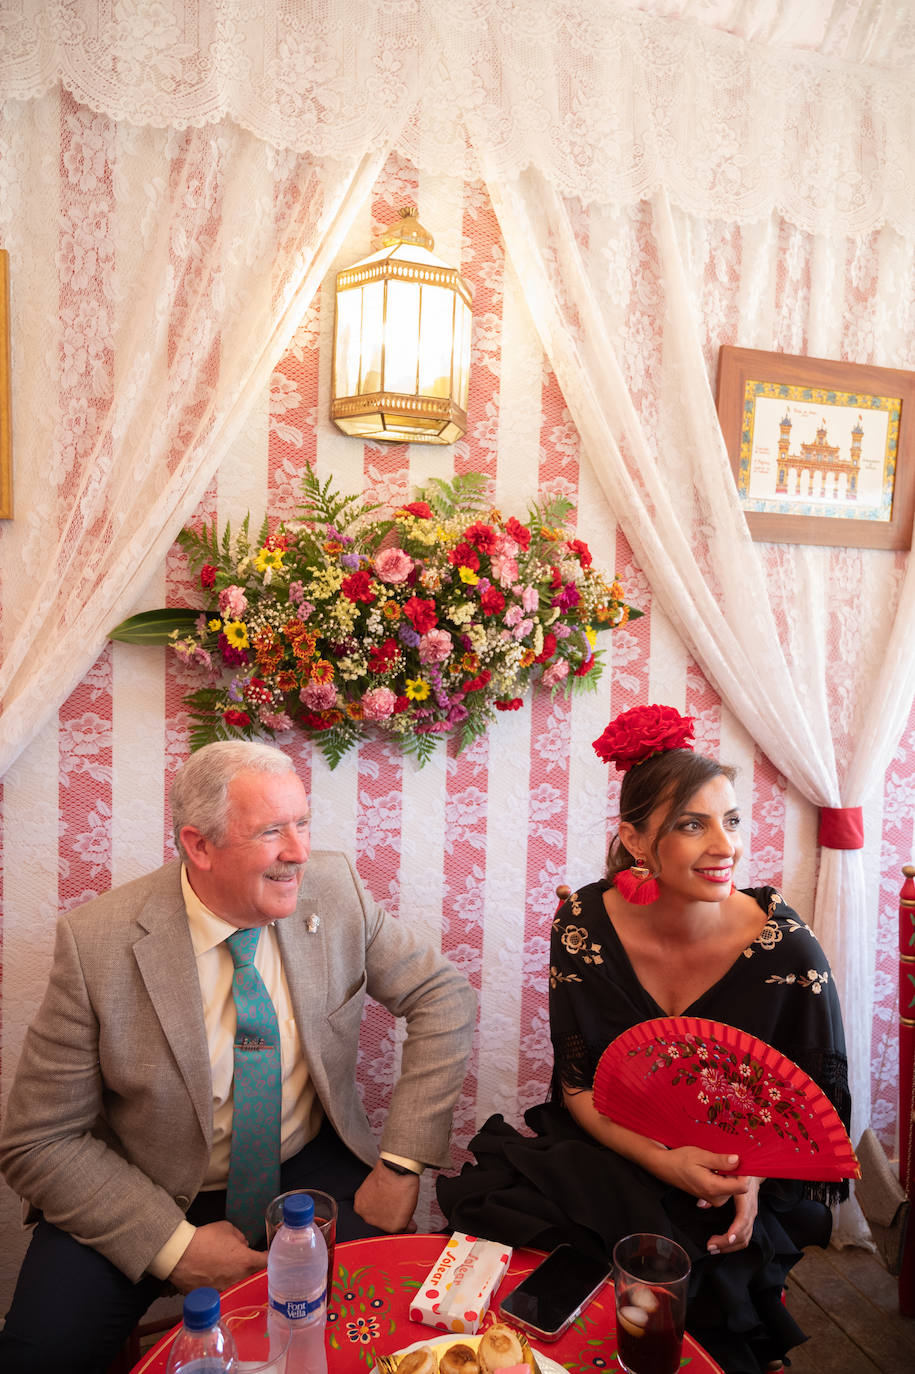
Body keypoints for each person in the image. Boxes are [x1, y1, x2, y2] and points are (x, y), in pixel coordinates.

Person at [0, 741, 476, 1373]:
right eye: (272, 832)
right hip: (150, 1188)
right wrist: (176, 1248)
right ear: (200, 846)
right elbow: (37, 1140)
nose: (299, 852)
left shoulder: (333, 890)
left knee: (397, 1324)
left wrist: (401, 1162)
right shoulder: (97, 945)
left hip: (307, 1169)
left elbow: (443, 995)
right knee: (39, 1358)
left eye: (302, 823)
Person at [437, 704, 850, 1374]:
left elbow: (809, 1116)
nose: (726, 846)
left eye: (731, 820)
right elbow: (577, 1088)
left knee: (693, 1278)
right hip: (610, 1143)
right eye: (692, 825)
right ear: (634, 840)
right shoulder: (581, 926)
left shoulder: (784, 948)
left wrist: (745, 1175)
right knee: (515, 1237)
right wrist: (661, 1160)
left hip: (730, 1167)